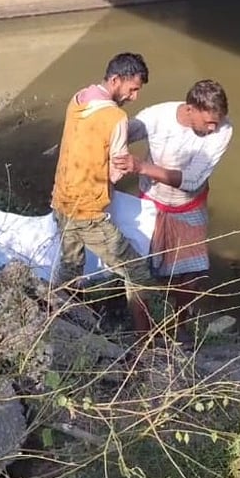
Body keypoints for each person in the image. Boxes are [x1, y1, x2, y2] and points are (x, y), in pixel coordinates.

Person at [116, 79, 233, 343]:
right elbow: (120, 134)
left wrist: (142, 167)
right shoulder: (156, 117)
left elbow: (191, 180)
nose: (213, 127)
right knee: (138, 270)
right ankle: (142, 333)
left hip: (187, 206)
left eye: (217, 121)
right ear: (190, 109)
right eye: (208, 122)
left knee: (190, 274)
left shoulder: (223, 129)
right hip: (151, 203)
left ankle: (178, 325)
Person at [50, 52, 153, 334]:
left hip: (61, 201)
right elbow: (116, 171)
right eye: (132, 89)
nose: (134, 97)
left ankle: (60, 325)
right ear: (116, 80)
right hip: (89, 212)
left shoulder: (78, 99)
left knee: (71, 266)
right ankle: (146, 342)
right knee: (138, 272)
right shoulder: (116, 117)